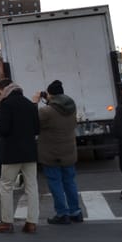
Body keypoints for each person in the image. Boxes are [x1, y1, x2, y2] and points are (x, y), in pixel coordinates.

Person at [0, 77, 40, 234]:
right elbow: (37, 128)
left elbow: (4, 129)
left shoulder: (6, 104)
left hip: (11, 151)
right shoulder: (29, 104)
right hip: (30, 151)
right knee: (31, 186)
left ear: (4, 89)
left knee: (6, 186)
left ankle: (6, 221)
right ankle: (31, 222)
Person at [37, 80, 83, 224]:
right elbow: (59, 109)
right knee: (69, 181)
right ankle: (76, 211)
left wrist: (35, 102)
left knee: (55, 182)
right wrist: (48, 100)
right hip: (69, 150)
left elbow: (34, 122)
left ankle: (62, 213)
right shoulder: (71, 105)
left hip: (52, 152)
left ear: (50, 94)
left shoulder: (46, 111)